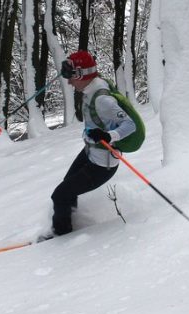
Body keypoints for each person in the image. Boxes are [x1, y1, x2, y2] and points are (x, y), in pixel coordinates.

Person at [47, 50, 137, 238]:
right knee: (66, 190)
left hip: (102, 165)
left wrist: (109, 135)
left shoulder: (102, 99)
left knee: (60, 195)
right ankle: (68, 227)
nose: (69, 82)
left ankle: (60, 238)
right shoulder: (91, 87)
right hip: (91, 152)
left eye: (71, 77)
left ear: (81, 74)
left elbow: (130, 124)